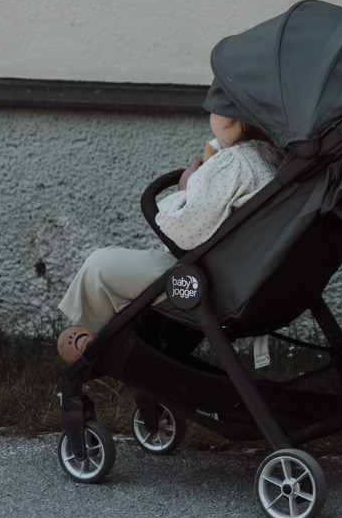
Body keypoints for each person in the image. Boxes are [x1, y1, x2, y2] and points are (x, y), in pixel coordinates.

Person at [56, 110, 281, 362]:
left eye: (217, 107)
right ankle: (116, 335)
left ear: (235, 118)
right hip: (246, 280)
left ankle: (99, 343)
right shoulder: (270, 155)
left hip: (208, 283)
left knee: (100, 265)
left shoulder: (234, 163)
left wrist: (185, 188)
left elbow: (180, 233)